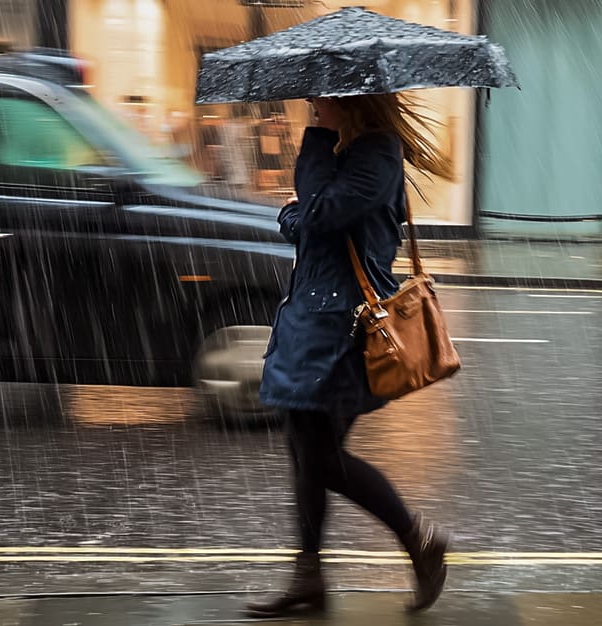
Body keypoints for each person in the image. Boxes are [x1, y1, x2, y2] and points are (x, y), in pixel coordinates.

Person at [246, 94, 454, 619]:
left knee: (319, 459)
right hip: (309, 321)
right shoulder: (349, 151)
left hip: (343, 328)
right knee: (305, 455)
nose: (312, 104)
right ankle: (309, 577)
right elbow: (307, 224)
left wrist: (311, 159)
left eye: (322, 99)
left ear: (351, 101)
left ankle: (419, 541)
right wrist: (300, 216)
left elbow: (317, 214)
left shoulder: (377, 154)